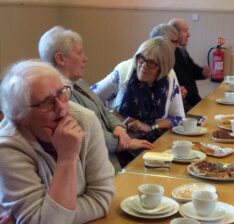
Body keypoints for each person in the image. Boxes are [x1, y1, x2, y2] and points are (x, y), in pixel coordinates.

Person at [0, 60, 114, 224]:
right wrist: (67, 158)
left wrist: (50, 215)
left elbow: (101, 198)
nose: (62, 108)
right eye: (46, 102)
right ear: (20, 116)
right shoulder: (7, 147)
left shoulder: (85, 120)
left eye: (61, 93)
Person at [38, 26, 154, 171]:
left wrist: (119, 127)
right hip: (96, 168)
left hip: (113, 160)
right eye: (79, 53)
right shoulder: (59, 97)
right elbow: (87, 136)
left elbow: (104, 110)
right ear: (61, 58)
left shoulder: (79, 83)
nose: (85, 58)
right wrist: (125, 142)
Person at [91, 37, 185, 143]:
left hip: (154, 138)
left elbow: (178, 118)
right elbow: (88, 97)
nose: (144, 66)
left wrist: (150, 126)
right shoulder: (123, 71)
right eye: (141, 58)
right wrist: (112, 114)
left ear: (163, 68)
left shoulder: (169, 76)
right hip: (121, 140)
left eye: (151, 63)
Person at [169, 18, 211, 112]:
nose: (189, 34)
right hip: (183, 106)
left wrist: (203, 73)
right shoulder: (167, 56)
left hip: (194, 101)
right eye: (185, 31)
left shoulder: (181, 51)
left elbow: (192, 70)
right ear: (174, 33)